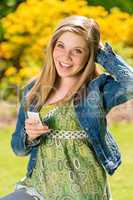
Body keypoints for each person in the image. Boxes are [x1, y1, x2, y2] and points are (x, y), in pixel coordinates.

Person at [1, 15, 133, 200]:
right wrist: (29, 137)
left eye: (77, 50)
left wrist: (102, 54)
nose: (65, 57)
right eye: (60, 46)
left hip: (84, 192)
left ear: (90, 55)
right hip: (39, 189)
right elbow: (18, 149)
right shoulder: (34, 90)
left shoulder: (97, 90)